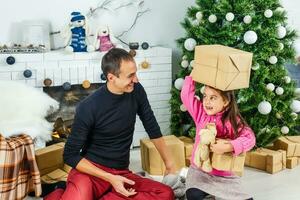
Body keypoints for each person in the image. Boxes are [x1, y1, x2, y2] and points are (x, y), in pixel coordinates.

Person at [44, 48, 176, 200]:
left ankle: (97, 194)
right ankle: (59, 191)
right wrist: (109, 178)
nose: (136, 80)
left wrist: (169, 163)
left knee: (166, 193)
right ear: (111, 77)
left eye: (135, 73)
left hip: (121, 172)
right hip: (91, 173)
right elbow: (70, 155)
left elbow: (152, 127)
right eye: (130, 76)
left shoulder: (137, 91)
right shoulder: (88, 107)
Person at [181, 75, 256, 200]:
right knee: (193, 195)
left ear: (225, 102)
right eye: (205, 96)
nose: (207, 101)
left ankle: (214, 194)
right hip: (199, 172)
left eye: (213, 98)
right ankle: (208, 193)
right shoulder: (201, 114)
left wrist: (229, 146)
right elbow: (186, 96)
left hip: (225, 176)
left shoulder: (233, 121)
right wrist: (193, 76)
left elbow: (250, 139)